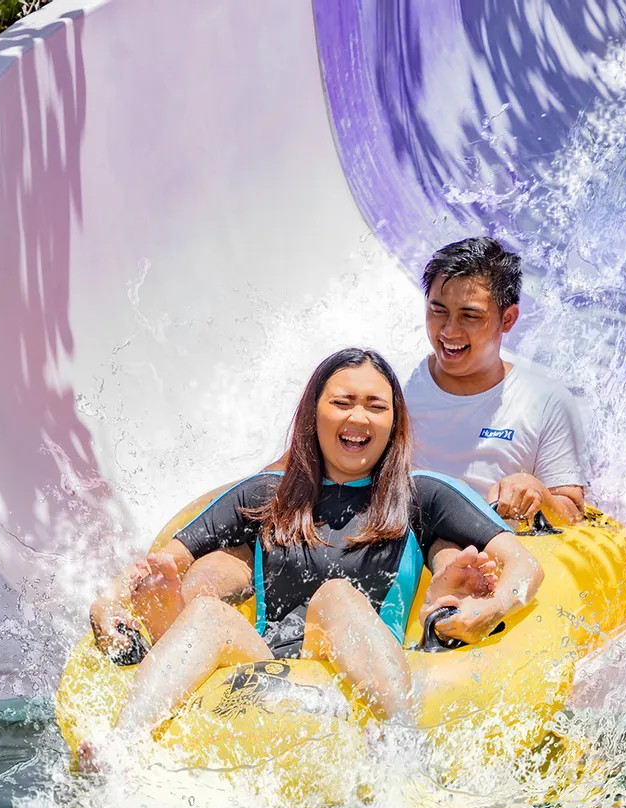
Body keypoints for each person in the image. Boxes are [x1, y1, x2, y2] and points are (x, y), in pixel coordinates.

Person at [86, 348, 544, 751]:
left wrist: (495, 607)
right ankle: (121, 750)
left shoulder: (422, 495)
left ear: (394, 422)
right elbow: (163, 562)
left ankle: (402, 748)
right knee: (207, 613)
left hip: (368, 672)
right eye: (342, 403)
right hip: (269, 671)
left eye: (375, 406)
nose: (358, 418)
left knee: (336, 595)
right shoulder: (267, 494)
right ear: (313, 414)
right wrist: (111, 599)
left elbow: (524, 564)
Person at [404, 237, 588, 527]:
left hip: (498, 558)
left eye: (470, 316)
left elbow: (574, 516)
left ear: (508, 319)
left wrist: (537, 491)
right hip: (414, 554)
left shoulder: (545, 402)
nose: (449, 331)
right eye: (438, 311)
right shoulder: (396, 388)